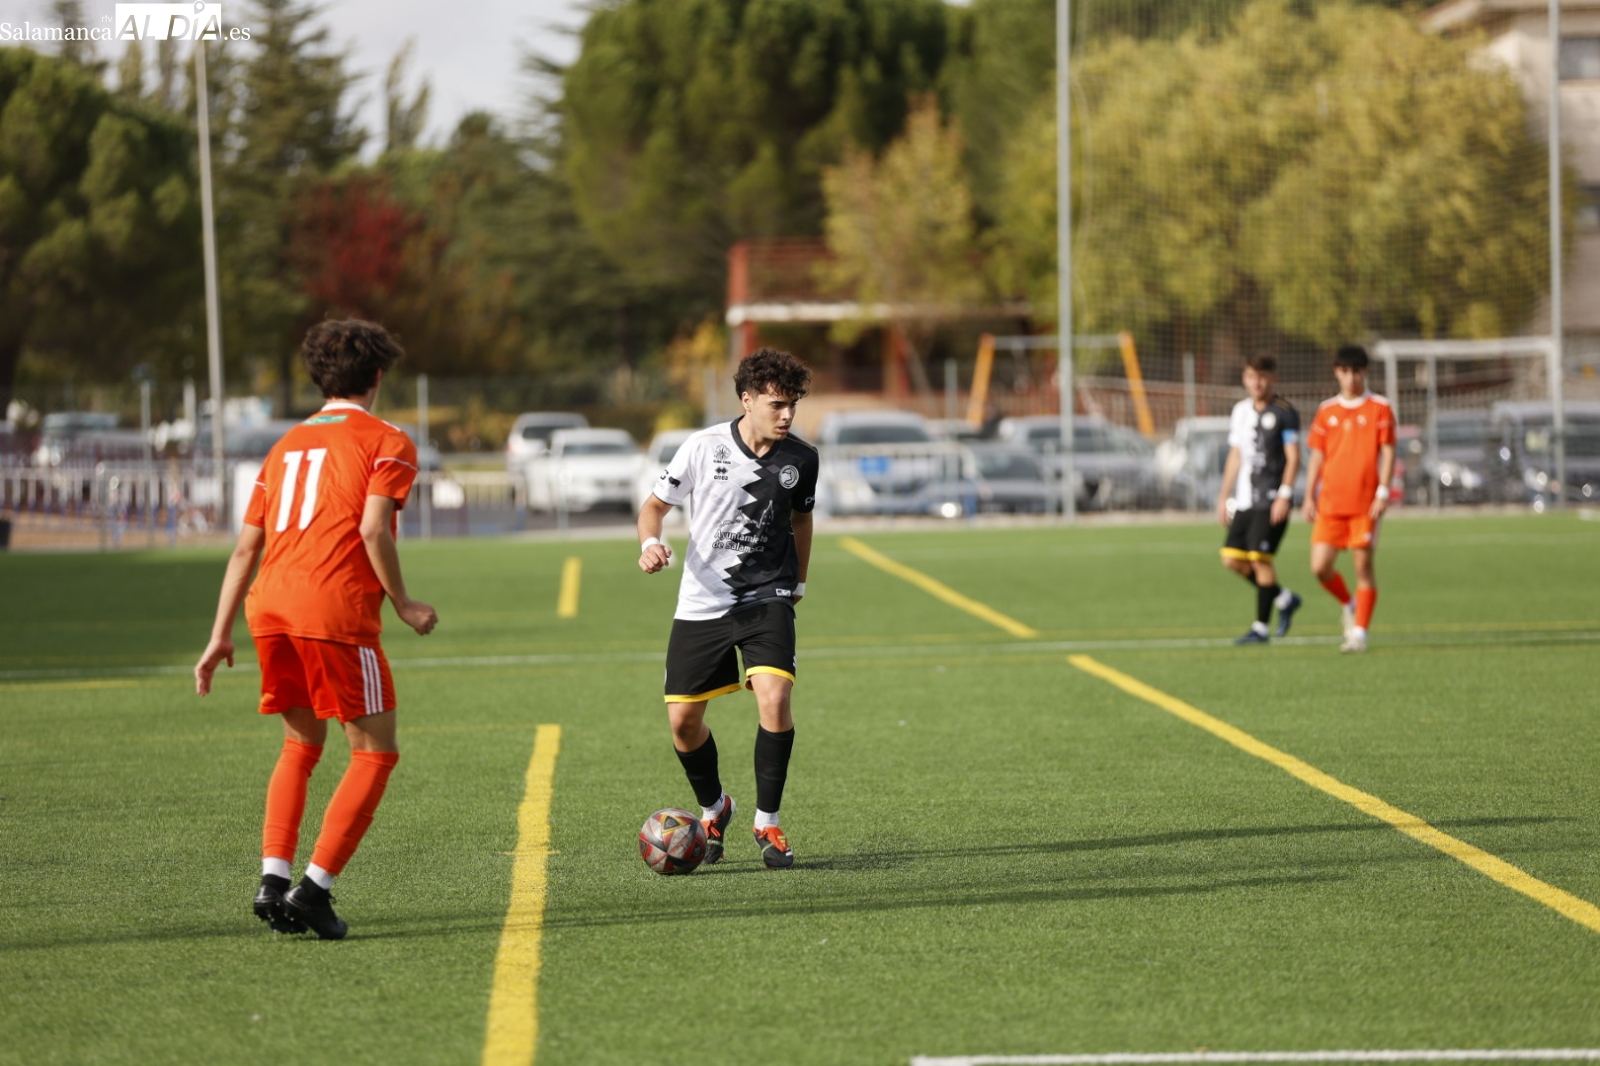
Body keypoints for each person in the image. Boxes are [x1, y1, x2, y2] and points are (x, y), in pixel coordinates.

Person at [194, 319, 438, 939]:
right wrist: (405, 604)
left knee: (300, 746)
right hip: (332, 611)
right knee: (375, 752)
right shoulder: (387, 440)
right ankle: (312, 890)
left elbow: (245, 550)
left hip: (268, 608)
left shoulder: (284, 447)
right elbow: (372, 530)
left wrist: (220, 634)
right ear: (378, 376)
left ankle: (273, 880)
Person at [637, 347, 818, 870]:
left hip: (769, 594)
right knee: (683, 723)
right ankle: (716, 808)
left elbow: (802, 521)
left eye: (793, 405)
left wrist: (799, 580)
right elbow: (654, 508)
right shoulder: (702, 447)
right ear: (746, 400)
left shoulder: (801, 460)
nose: (787, 415)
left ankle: (768, 822)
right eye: (777, 404)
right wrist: (649, 544)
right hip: (703, 599)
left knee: (775, 696)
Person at [1303, 344, 1396, 654]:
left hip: (1364, 504)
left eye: (1356, 371)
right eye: (1345, 371)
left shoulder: (1380, 407)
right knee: (1319, 567)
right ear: (1336, 373)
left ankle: (1360, 633)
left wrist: (1383, 491)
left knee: (1363, 568)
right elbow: (1316, 456)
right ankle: (1348, 602)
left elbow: (1388, 451)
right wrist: (1308, 495)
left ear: (1365, 372)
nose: (1351, 378)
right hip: (1330, 503)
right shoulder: (1326, 409)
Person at [1217, 352, 1302, 644]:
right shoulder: (1240, 411)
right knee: (1231, 559)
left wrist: (1284, 495)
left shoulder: (1284, 412)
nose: (1257, 382)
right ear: (1244, 378)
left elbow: (1293, 458)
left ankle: (1261, 628)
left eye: (1263, 376)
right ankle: (1284, 598)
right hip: (1244, 499)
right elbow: (1235, 454)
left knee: (1260, 560)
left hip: (1270, 499)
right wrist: (1223, 495)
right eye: (1252, 376)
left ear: (1273, 378)